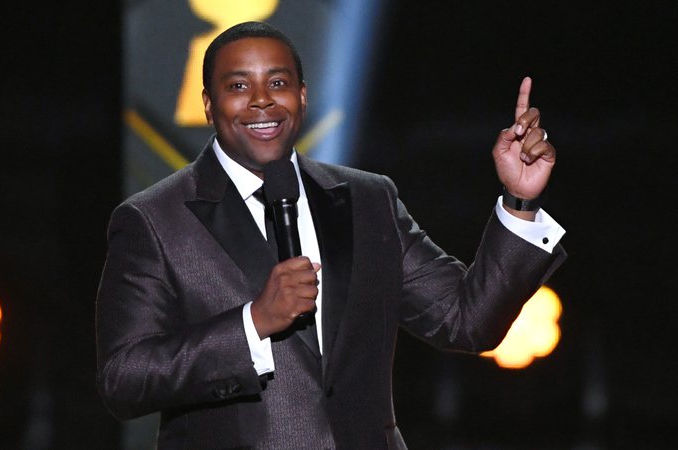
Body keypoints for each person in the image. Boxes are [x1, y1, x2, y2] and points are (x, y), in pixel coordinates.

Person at [96, 21, 566, 450]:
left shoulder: (367, 200)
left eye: (277, 83)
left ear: (302, 95)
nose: (261, 100)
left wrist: (518, 201)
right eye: (238, 86)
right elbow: (124, 380)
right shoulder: (154, 219)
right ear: (208, 102)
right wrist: (252, 323)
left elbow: (467, 321)